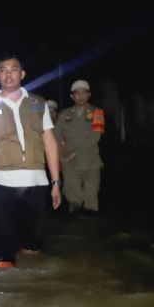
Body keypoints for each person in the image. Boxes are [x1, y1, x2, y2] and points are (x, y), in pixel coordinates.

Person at [0, 55, 61, 268]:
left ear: (22, 74)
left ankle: (33, 297)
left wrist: (56, 183)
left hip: (36, 182)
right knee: (2, 257)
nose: (8, 73)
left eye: (13, 69)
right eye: (3, 70)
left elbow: (49, 142)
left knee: (33, 248)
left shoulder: (38, 103)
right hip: (0, 184)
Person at [55, 79, 105, 214]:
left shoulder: (97, 112)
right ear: (72, 96)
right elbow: (56, 136)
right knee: (74, 201)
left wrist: (74, 152)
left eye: (84, 92)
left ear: (89, 95)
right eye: (77, 93)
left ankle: (92, 230)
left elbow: (96, 137)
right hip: (70, 163)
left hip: (91, 162)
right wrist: (61, 157)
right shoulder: (64, 114)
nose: (81, 96)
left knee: (91, 199)